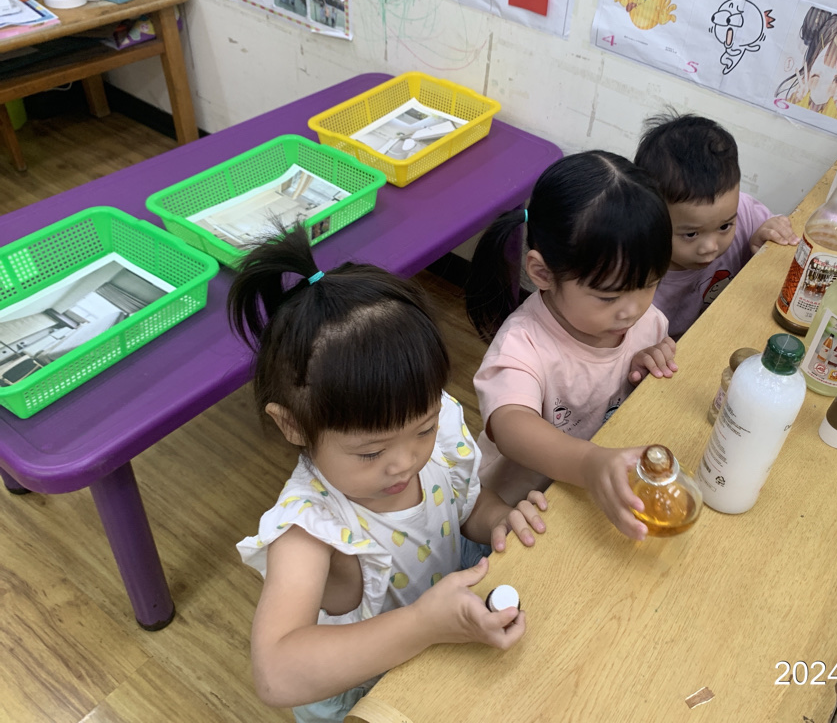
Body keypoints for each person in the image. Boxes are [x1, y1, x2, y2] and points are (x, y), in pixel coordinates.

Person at [232, 226, 547, 722]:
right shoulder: (310, 527)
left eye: (423, 429)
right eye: (371, 452)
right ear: (292, 424)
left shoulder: (435, 433)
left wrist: (500, 520)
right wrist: (422, 624)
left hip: (448, 649)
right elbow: (275, 673)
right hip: (373, 696)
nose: (405, 461)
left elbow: (464, 505)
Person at [465, 151, 677, 542]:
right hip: (519, 517)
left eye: (649, 284)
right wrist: (591, 463)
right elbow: (512, 427)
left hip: (589, 501)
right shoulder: (521, 346)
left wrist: (653, 359)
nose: (633, 309)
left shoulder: (642, 318)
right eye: (608, 296)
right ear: (542, 273)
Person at [635, 112, 798, 338]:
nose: (710, 247)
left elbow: (783, 242)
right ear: (651, 217)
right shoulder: (633, 269)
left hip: (727, 331)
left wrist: (769, 235)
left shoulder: (742, 211)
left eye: (724, 227)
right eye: (691, 234)